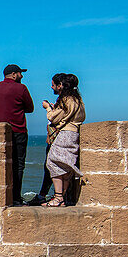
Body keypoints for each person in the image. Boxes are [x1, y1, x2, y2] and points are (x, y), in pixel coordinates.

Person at [0, 64, 34, 205]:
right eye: (21, 74)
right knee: (19, 164)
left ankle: (0, 196)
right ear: (14, 74)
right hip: (18, 130)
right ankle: (15, 197)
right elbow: (30, 108)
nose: (22, 76)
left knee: (0, 164)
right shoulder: (21, 88)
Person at [41, 73, 86, 207]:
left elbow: (53, 118)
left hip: (65, 134)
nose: (51, 86)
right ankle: (60, 198)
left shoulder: (65, 100)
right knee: (66, 165)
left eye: (54, 84)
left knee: (52, 162)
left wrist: (48, 108)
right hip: (74, 134)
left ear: (60, 86)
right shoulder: (78, 100)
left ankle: (58, 197)